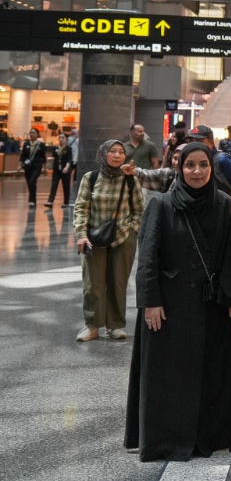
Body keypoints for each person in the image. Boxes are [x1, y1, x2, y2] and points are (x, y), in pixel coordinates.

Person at [124, 142, 231, 461]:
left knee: (211, 373)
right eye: (190, 165)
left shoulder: (223, 203)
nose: (197, 171)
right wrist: (150, 301)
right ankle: (168, 438)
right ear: (179, 168)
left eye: (203, 165)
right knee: (169, 375)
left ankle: (209, 435)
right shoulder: (162, 205)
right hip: (169, 307)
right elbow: (148, 256)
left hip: (210, 305)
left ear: (211, 168)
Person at [72, 140, 145, 343]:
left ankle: (115, 325)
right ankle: (92, 326)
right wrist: (81, 234)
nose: (117, 155)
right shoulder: (91, 178)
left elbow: (140, 209)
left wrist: (131, 230)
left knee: (118, 283)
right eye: (112, 151)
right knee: (92, 284)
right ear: (103, 154)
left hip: (122, 238)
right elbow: (81, 207)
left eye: (121, 152)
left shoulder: (130, 179)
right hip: (93, 239)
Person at [193, 126, 231, 206]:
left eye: (200, 141)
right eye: (192, 142)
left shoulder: (222, 161)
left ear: (211, 143)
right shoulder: (195, 163)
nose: (195, 145)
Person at [46, 131, 74, 207]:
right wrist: (50, 161)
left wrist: (67, 167)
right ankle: (50, 201)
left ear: (66, 139)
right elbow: (54, 157)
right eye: (60, 138)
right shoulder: (56, 148)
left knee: (66, 186)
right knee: (54, 185)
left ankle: (66, 202)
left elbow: (69, 159)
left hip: (65, 169)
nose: (61, 139)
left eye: (63, 138)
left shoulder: (68, 148)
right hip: (56, 169)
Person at [20, 128, 46, 206]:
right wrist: (20, 165)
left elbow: (43, 156)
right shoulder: (26, 144)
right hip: (28, 167)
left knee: (32, 181)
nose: (32, 134)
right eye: (30, 133)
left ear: (37, 134)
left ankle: (32, 200)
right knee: (30, 183)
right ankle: (32, 199)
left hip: (37, 166)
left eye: (33, 133)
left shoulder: (41, 144)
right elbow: (23, 155)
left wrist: (44, 167)